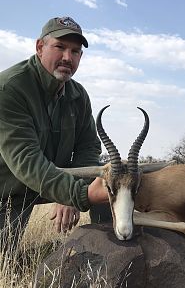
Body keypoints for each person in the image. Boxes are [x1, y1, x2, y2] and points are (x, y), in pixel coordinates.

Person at [0, 16, 110, 249]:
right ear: (40, 47)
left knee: (110, 183)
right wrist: (74, 194)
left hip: (49, 182)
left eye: (75, 51)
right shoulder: (9, 88)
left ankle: (111, 251)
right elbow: (26, 161)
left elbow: (88, 147)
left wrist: (72, 189)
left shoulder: (78, 95)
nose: (67, 58)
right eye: (59, 47)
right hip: (8, 190)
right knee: (4, 258)